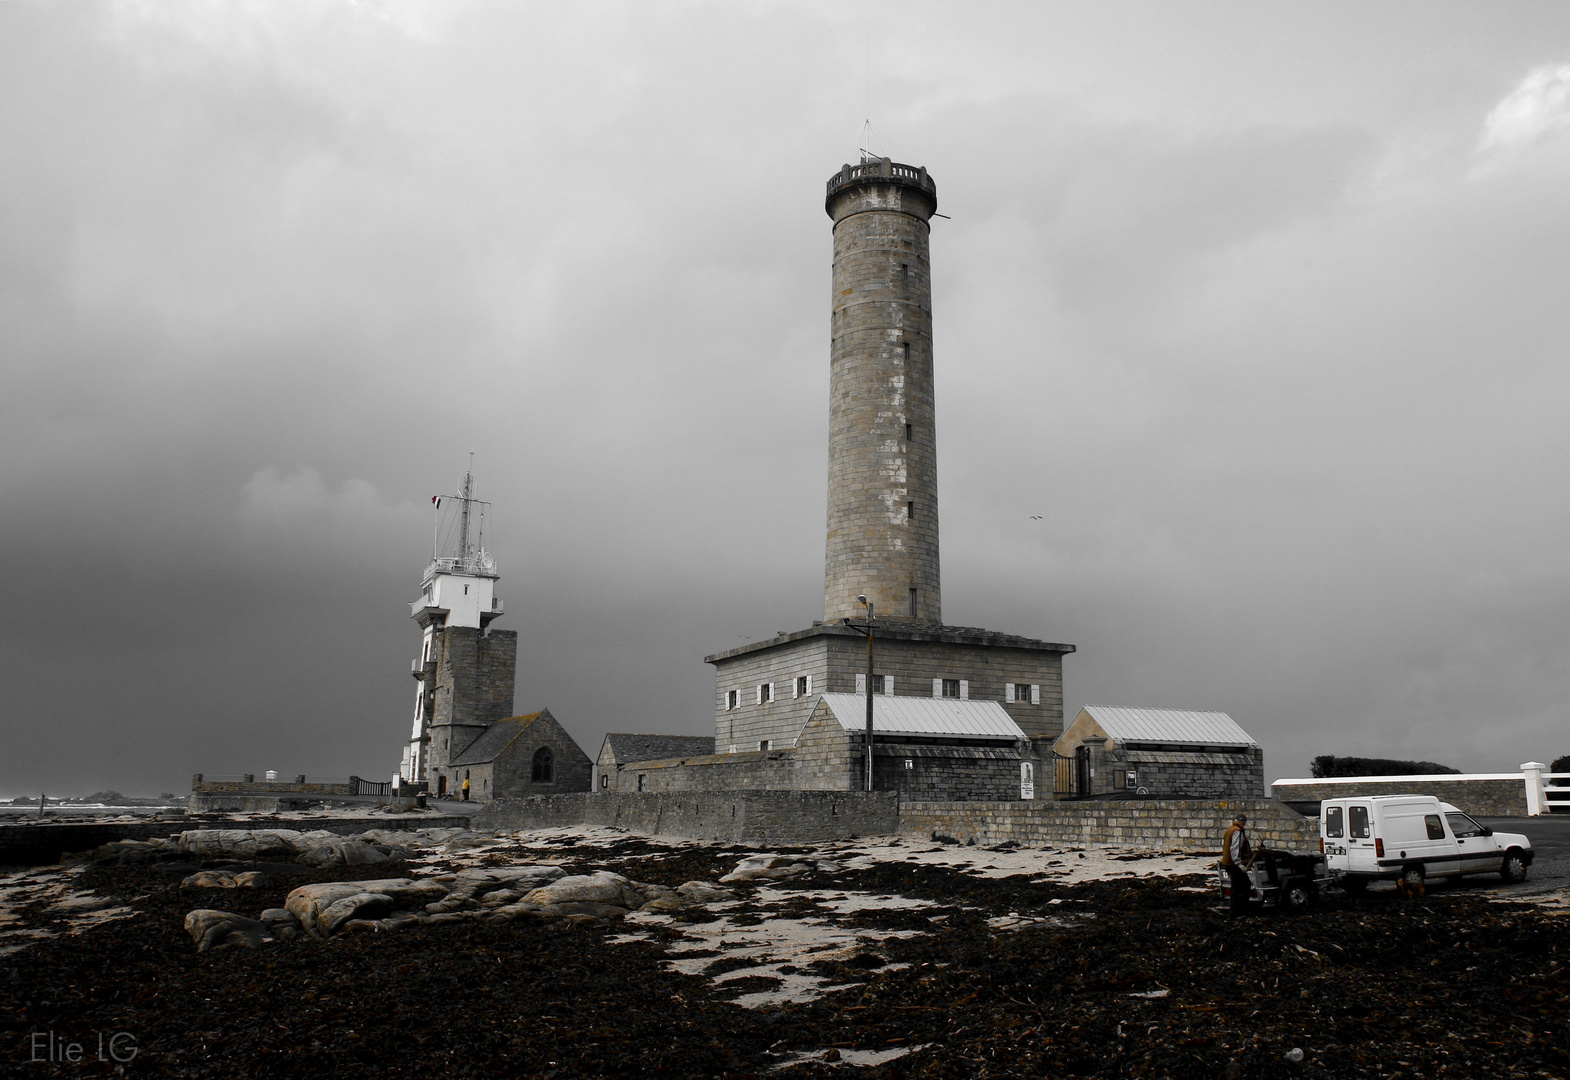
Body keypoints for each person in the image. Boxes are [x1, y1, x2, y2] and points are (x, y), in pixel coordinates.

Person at [1220, 812, 1254, 915]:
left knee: (1239, 887)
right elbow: (1235, 849)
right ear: (1243, 823)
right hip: (1234, 864)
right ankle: (1237, 912)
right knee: (1241, 888)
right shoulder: (1237, 832)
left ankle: (1237, 911)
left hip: (1227, 863)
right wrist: (1239, 864)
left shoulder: (1229, 830)